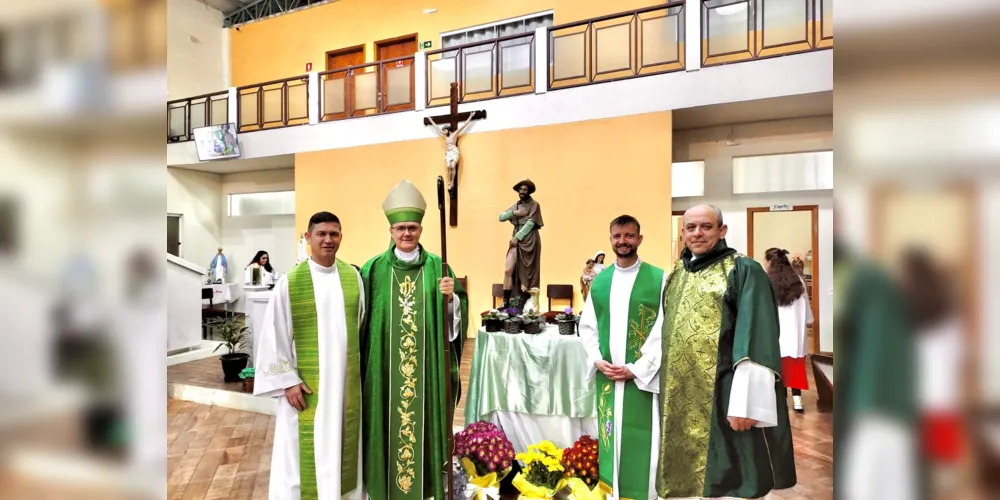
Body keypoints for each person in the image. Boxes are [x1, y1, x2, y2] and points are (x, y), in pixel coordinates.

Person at [656, 205, 795, 500]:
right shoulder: (678, 272)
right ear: (682, 233)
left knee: (732, 484)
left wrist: (747, 405)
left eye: (706, 226)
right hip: (680, 397)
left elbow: (756, 336)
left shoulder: (743, 270)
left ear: (722, 231)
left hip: (725, 395)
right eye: (690, 227)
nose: (697, 233)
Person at [361, 179, 469, 500]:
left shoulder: (439, 267)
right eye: (400, 228)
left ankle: (427, 487)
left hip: (426, 374)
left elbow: (453, 328)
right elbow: (363, 322)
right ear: (391, 231)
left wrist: (453, 301)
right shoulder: (374, 269)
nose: (406, 234)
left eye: (412, 228)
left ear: (420, 230)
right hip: (385, 375)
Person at [253, 211, 365, 500]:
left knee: (345, 446)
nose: (328, 240)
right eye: (321, 234)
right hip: (306, 388)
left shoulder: (353, 276)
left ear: (341, 237)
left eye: (334, 234)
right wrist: (287, 382)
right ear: (308, 237)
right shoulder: (291, 282)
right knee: (299, 461)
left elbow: (361, 328)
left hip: (345, 386)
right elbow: (273, 335)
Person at [579, 215, 666, 500]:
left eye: (629, 235)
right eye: (617, 236)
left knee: (643, 440)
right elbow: (588, 326)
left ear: (640, 239)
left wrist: (637, 369)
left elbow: (664, 329)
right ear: (611, 239)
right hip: (608, 378)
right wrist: (595, 359)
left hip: (641, 379)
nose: (623, 241)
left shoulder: (659, 279)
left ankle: (645, 494)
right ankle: (613, 492)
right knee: (609, 435)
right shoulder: (600, 282)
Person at [763, 247, 814, 413]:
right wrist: (806, 322)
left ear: (770, 262)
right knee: (795, 367)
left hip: (775, 332)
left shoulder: (767, 282)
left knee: (778, 367)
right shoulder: (798, 281)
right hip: (795, 333)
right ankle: (797, 401)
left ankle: (781, 400)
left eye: (765, 260)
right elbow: (806, 308)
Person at [499, 179, 543, 309]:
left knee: (526, 270)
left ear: (529, 191)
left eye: (525, 189)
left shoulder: (534, 205)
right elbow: (501, 217)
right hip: (515, 240)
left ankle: (523, 300)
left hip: (529, 239)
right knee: (508, 270)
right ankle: (506, 301)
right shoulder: (517, 206)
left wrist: (518, 237)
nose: (522, 192)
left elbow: (531, 223)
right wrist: (514, 213)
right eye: (521, 189)